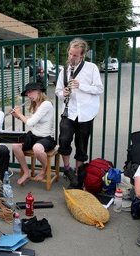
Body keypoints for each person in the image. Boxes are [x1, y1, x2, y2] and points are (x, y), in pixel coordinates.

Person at [55, 37, 103, 187]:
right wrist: (64, 93)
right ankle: (68, 169)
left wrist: (81, 86)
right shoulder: (64, 70)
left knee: (81, 145)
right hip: (69, 112)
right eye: (70, 54)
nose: (71, 57)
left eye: (75, 55)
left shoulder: (91, 68)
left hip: (86, 113)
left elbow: (99, 89)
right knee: (63, 140)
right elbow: (57, 91)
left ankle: (78, 174)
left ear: (82, 55)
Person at [12, 82, 56, 185]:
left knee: (37, 149)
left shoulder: (46, 104)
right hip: (34, 134)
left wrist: (19, 114)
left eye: (31, 92)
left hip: (47, 137)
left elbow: (30, 122)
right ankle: (26, 172)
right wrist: (17, 116)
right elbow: (31, 121)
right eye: (27, 93)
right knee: (15, 145)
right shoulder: (35, 104)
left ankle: (44, 170)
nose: (28, 95)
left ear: (39, 91)